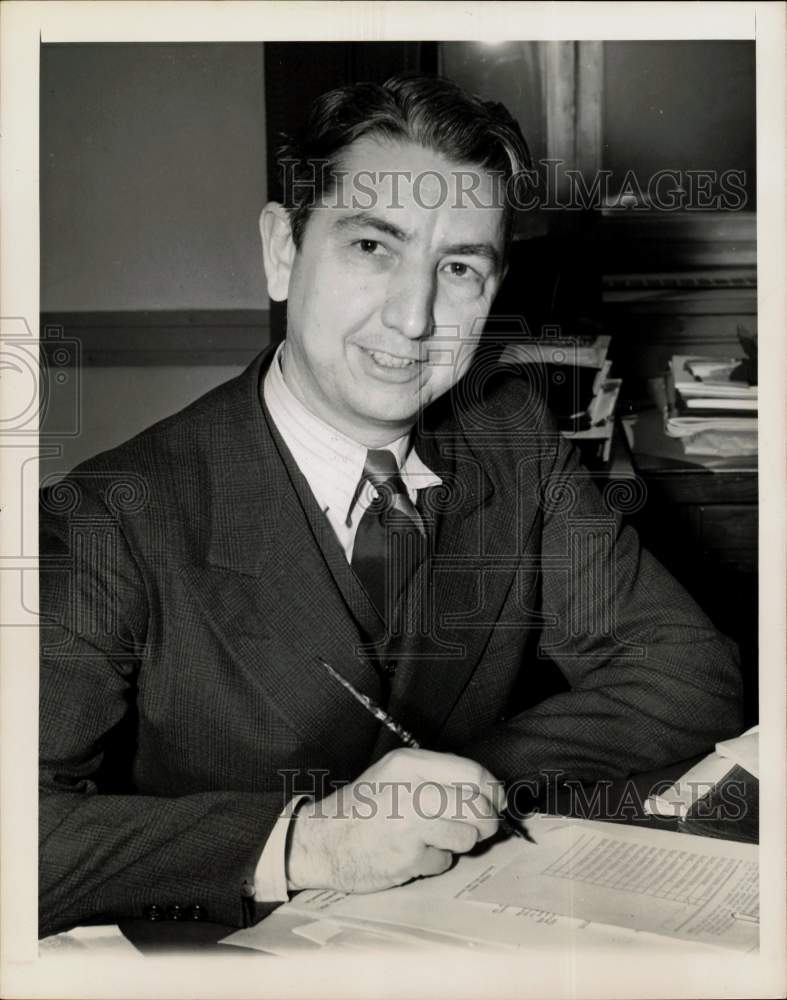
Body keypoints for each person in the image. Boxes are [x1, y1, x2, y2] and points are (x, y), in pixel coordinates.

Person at [38, 73, 743, 939]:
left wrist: (449, 793)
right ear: (281, 251)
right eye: (373, 248)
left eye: (457, 268)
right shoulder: (107, 516)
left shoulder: (511, 437)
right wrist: (311, 840)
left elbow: (685, 669)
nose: (414, 319)